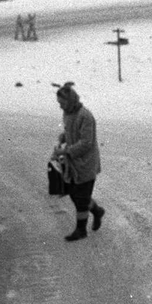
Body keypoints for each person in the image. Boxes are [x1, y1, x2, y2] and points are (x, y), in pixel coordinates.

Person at [51, 81, 104, 242]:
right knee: (76, 194)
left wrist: (65, 151)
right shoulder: (68, 114)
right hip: (74, 163)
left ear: (71, 100)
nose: (61, 106)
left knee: (81, 197)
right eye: (59, 103)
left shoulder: (85, 116)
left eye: (63, 103)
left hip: (87, 163)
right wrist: (64, 136)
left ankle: (81, 230)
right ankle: (96, 210)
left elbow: (86, 143)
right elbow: (70, 131)